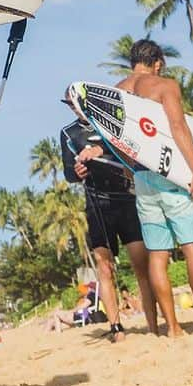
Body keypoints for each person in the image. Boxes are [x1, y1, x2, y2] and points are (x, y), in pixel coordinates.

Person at [90, 39, 193, 337]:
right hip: (171, 174)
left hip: (143, 178)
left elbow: (113, 140)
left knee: (158, 256)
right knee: (192, 249)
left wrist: (128, 168)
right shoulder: (164, 85)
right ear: (158, 62)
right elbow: (178, 127)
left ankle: (173, 329)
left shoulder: (117, 90)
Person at [60, 113, 157, 339]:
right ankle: (116, 327)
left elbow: (129, 146)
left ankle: (153, 325)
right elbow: (68, 173)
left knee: (141, 264)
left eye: (78, 103)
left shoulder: (110, 123)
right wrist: (76, 173)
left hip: (125, 198)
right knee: (105, 268)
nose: (76, 109)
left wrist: (100, 149)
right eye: (71, 105)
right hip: (97, 204)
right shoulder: (68, 133)